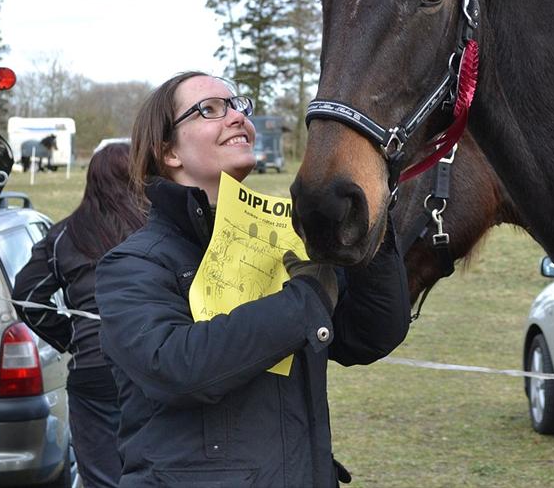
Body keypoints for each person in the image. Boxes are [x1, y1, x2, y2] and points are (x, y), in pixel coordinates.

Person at [95, 72, 410, 488]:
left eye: (238, 106)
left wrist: (371, 229)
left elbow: (369, 336)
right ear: (168, 151)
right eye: (210, 109)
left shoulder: (284, 246)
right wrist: (305, 300)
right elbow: (173, 366)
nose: (237, 118)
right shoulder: (132, 264)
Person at [13, 142, 144, 488]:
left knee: (102, 480)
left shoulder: (64, 235)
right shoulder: (160, 229)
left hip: (93, 368)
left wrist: (71, 337)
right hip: (157, 366)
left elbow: (26, 296)